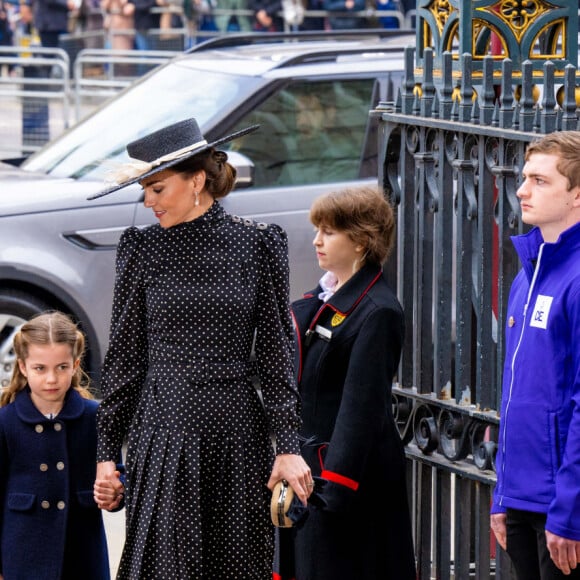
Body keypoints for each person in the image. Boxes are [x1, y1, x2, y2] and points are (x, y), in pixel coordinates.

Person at [88, 117, 313, 579]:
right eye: (144, 190)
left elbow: (275, 352)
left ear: (196, 180)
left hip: (235, 435)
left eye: (157, 188)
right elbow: (125, 359)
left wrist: (287, 446)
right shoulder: (141, 248)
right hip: (163, 430)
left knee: (236, 567)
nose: (148, 201)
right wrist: (107, 454)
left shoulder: (257, 244)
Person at [279, 185, 417, 579]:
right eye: (317, 229)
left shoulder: (378, 311)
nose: (317, 240)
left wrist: (333, 489)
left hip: (348, 482)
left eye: (330, 231)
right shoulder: (323, 299)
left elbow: (361, 408)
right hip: (310, 473)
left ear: (361, 241)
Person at [490, 131, 580, 579]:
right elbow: (514, 394)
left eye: (540, 181)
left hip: (563, 510)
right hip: (522, 499)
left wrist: (570, 511)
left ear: (576, 193)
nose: (522, 190)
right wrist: (501, 495)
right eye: (525, 178)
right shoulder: (527, 275)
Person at [0, 311, 125, 580]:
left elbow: (117, 476)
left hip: (83, 558)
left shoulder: (96, 417)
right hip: (22, 559)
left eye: (62, 367)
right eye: (40, 368)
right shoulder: (5, 421)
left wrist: (115, 494)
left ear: (76, 364)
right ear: (22, 367)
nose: (51, 379)